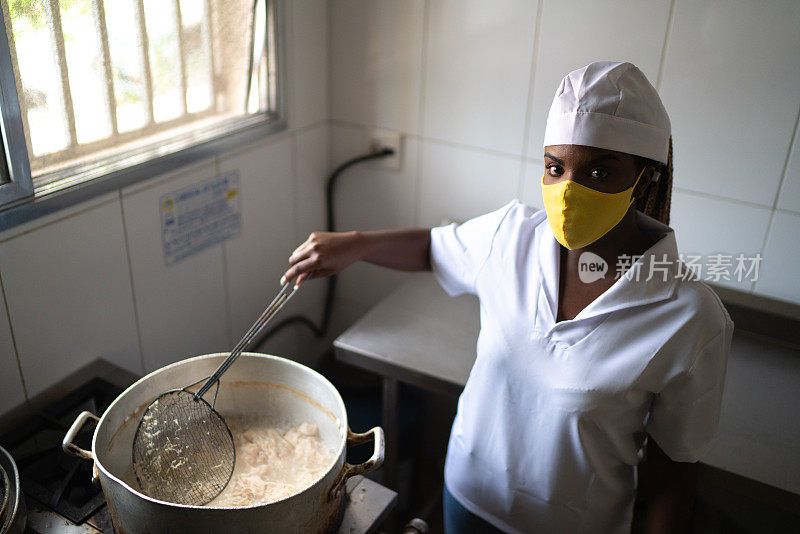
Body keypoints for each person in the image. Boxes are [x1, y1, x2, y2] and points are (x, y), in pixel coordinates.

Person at [281, 61, 733, 534]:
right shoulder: (513, 237)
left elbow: (673, 478)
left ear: (647, 178)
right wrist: (356, 244)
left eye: (599, 172)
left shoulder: (689, 317)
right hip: (466, 497)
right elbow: (433, 248)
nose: (568, 192)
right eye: (555, 168)